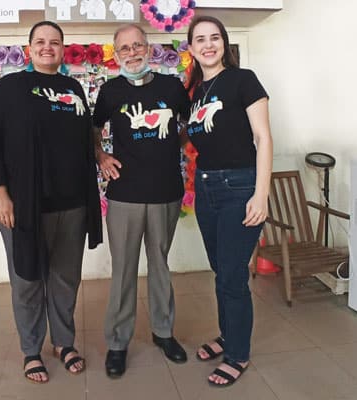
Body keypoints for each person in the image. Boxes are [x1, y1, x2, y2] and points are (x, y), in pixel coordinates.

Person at [0, 21, 103, 384]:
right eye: (41, 42)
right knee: (27, 279)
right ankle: (31, 350)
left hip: (73, 203)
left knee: (65, 279)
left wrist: (102, 156)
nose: (48, 47)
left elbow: (84, 138)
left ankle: (63, 342)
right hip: (24, 204)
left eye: (55, 42)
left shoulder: (73, 87)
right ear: (29, 48)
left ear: (63, 49)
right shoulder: (9, 88)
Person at [92, 23, 191, 378]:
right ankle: (118, 342)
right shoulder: (110, 91)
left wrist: (172, 147)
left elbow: (188, 121)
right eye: (124, 49)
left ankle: (164, 332)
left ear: (148, 49)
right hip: (125, 195)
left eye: (138, 46)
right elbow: (93, 128)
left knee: (160, 265)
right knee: (123, 271)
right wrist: (101, 156)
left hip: (166, 191)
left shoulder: (171, 86)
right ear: (115, 54)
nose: (132, 53)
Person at [185, 15, 273, 387]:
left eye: (215, 38)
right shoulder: (193, 92)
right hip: (205, 188)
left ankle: (237, 354)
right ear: (190, 48)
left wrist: (261, 194)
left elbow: (263, 138)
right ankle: (228, 336)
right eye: (200, 39)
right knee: (222, 273)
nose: (208, 44)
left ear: (224, 43)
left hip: (240, 187)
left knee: (233, 277)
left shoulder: (243, 79)